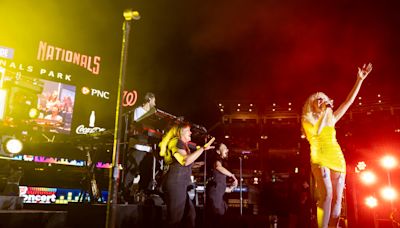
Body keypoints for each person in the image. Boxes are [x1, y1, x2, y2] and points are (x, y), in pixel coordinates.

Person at [301, 63, 372, 228]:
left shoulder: (331, 118)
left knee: (337, 198)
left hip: (337, 158)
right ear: (311, 103)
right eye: (318, 99)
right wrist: (325, 112)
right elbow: (317, 131)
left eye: (323, 99)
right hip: (320, 159)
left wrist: (359, 80)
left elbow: (348, 102)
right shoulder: (307, 119)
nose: (321, 101)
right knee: (326, 195)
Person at [159, 124, 214, 228]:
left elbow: (186, 163)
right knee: (175, 219)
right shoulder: (175, 142)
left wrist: (198, 162)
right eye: (188, 130)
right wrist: (202, 149)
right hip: (176, 183)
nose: (191, 133)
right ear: (180, 132)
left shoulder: (183, 145)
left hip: (180, 184)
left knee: (190, 215)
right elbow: (185, 161)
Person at [206, 143, 237, 227]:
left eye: (227, 149)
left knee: (222, 215)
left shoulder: (221, 162)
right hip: (215, 196)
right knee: (218, 218)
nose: (227, 150)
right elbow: (218, 167)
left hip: (217, 194)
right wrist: (232, 176)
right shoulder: (217, 160)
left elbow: (218, 184)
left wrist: (229, 189)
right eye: (225, 148)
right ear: (218, 151)